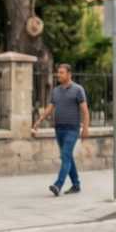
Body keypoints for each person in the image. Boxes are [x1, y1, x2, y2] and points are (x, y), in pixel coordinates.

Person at [34, 63, 89, 197]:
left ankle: (58, 185)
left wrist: (85, 128)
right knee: (68, 157)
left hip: (72, 129)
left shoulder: (78, 89)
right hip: (59, 129)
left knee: (65, 156)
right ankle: (76, 185)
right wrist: (39, 121)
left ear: (69, 74)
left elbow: (85, 111)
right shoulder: (56, 91)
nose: (58, 75)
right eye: (58, 72)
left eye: (61, 72)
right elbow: (50, 107)